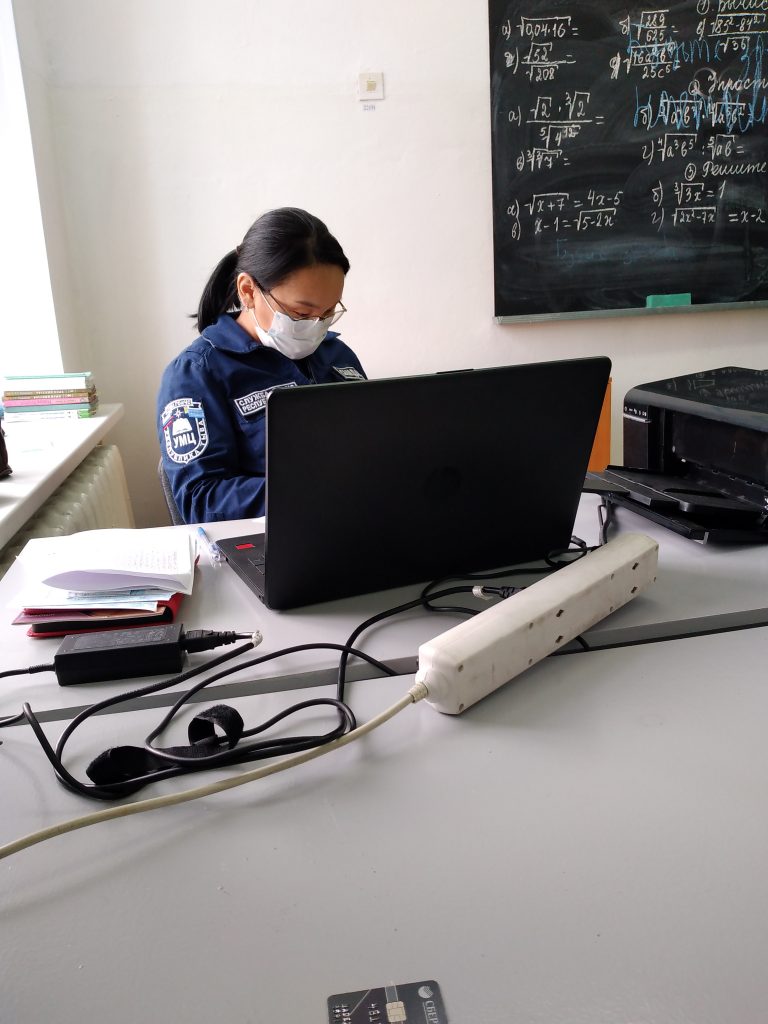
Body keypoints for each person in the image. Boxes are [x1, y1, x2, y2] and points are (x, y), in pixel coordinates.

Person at [157, 208, 366, 524]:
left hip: (357, 522)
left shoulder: (338, 355)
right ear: (248, 291)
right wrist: (312, 491)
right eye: (301, 313)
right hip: (276, 535)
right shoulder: (196, 374)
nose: (316, 326)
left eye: (327, 313)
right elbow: (201, 499)